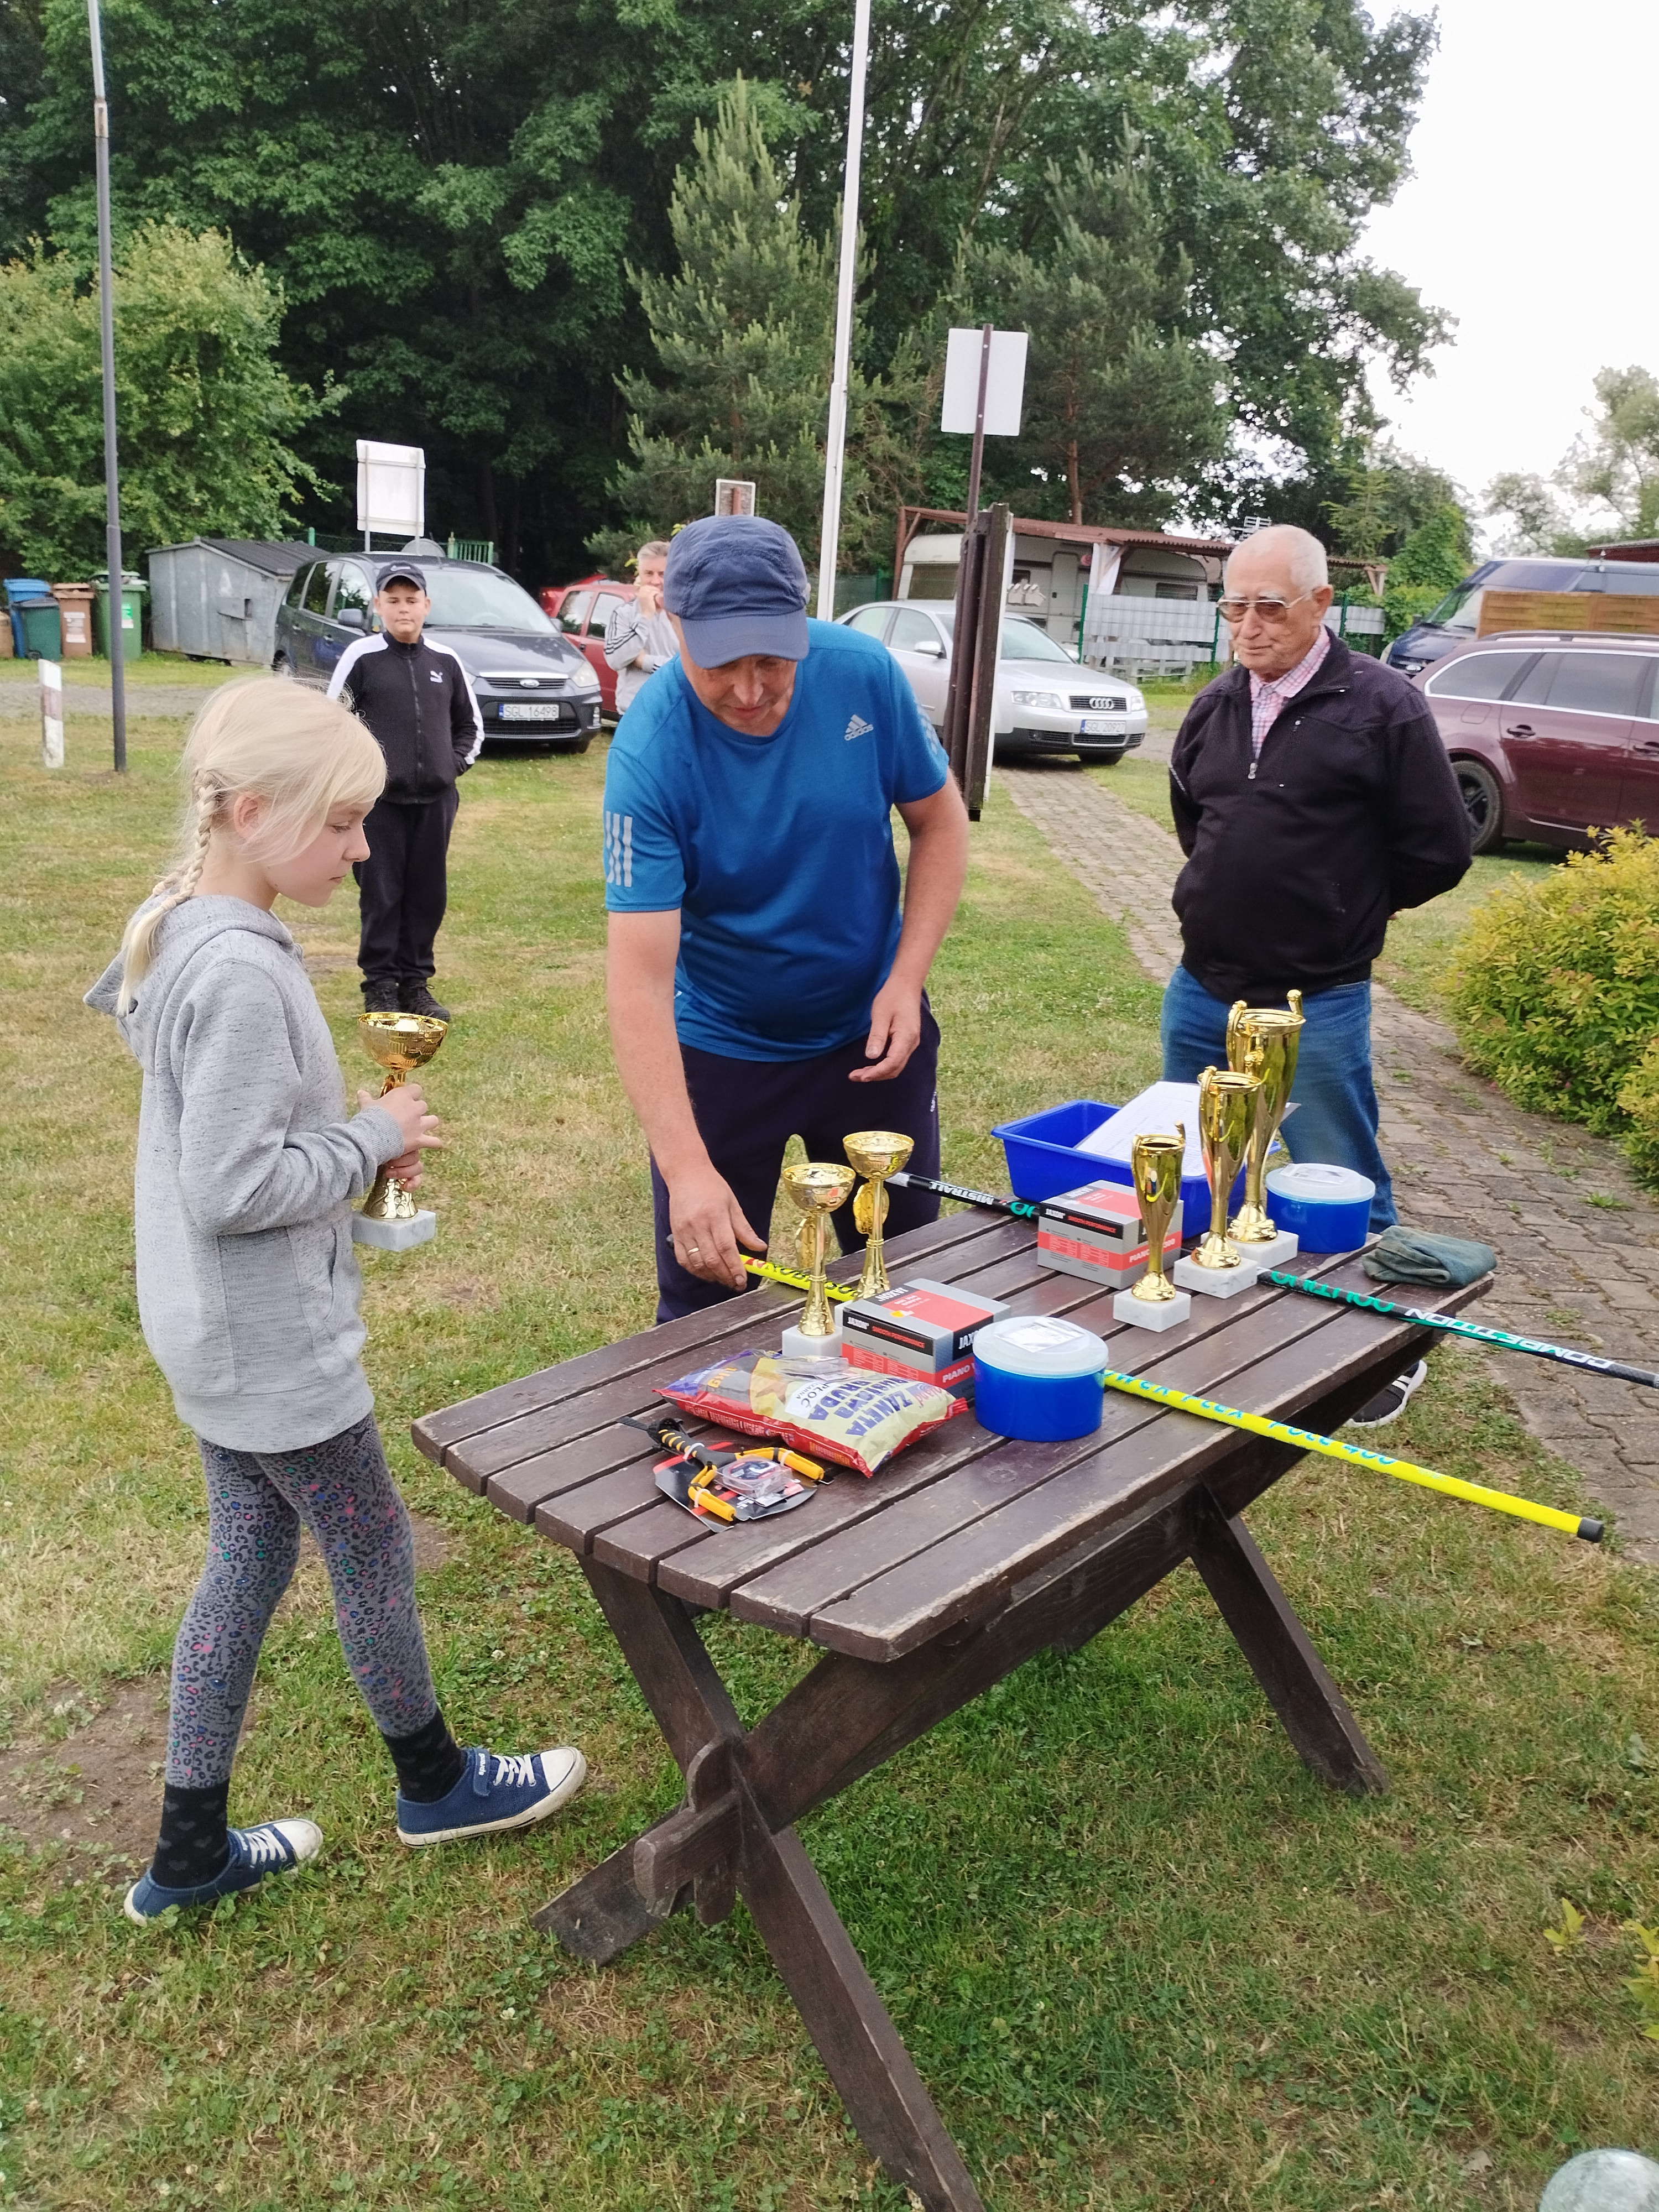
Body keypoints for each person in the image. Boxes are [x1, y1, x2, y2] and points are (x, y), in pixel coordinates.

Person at [86, 681, 585, 1922]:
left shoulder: (185, 925)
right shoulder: (242, 975)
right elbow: (231, 1186)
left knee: (249, 1555)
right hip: (271, 1344)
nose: (364, 849)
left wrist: (344, 1137)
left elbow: (224, 1134)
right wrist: (371, 1136)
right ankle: (437, 1784)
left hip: (210, 1334)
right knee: (370, 1546)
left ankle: (188, 1854)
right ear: (253, 813)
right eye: (344, 822)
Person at [602, 514, 970, 1321]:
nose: (749, 690)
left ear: (802, 622)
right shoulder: (649, 752)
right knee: (706, 1300)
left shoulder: (864, 674)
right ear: (673, 625)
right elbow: (638, 982)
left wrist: (906, 979)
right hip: (725, 1049)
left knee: (903, 1280)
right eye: (720, 664)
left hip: (871, 1040)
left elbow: (940, 821)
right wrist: (686, 1168)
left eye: (772, 659)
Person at [1162, 522, 1472, 1423]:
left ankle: (1386, 1352)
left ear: (1321, 604)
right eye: (1234, 608)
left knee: (1340, 1180)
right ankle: (1219, 1307)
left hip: (1319, 997)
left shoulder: (1384, 706)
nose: (1249, 627)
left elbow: (1440, 848)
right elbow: (1196, 819)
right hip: (1203, 987)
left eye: (1270, 607)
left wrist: (1348, 909)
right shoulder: (1215, 704)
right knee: (1204, 1164)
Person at [328, 560, 483, 1022]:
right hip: (379, 805)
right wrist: (360, 778)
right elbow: (333, 723)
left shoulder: (446, 662)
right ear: (378, 605)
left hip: (435, 802)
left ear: (426, 605)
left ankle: (416, 984)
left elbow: (470, 726)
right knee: (382, 893)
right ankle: (379, 985)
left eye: (411, 600)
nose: (403, 609)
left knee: (427, 894)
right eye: (393, 601)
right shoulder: (362, 657)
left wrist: (451, 766)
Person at [603, 540, 677, 714]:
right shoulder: (623, 613)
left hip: (676, 710)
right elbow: (615, 660)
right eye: (649, 573)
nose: (655, 581)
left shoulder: (684, 614)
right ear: (640, 575)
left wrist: (645, 662)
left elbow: (688, 668)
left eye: (662, 574)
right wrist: (646, 616)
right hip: (635, 713)